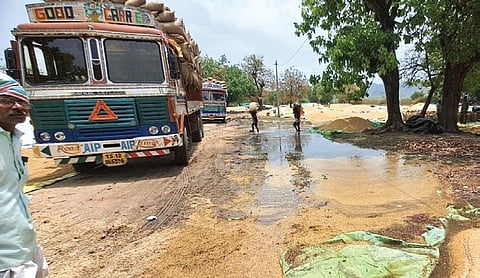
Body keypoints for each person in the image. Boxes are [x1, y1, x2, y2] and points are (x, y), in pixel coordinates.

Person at [0, 73, 49, 278]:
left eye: (22, 101)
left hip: (25, 247)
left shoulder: (14, 138)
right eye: (6, 100)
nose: (17, 106)